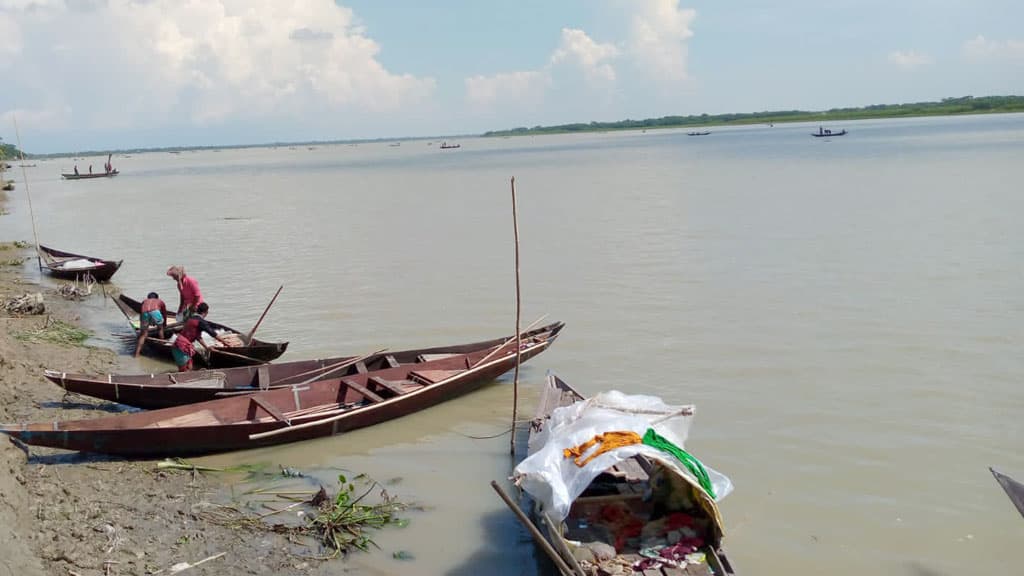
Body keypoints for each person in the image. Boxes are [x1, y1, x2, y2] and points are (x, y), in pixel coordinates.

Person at [172, 302, 230, 371]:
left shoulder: (191, 318)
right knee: (184, 371)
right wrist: (226, 343)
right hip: (182, 347)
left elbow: (198, 337)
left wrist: (206, 347)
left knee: (189, 367)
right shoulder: (201, 322)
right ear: (206, 312)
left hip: (179, 345)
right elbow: (212, 333)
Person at [134, 292, 167, 358]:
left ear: (148, 298)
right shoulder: (160, 301)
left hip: (145, 313)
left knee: (143, 335)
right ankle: (162, 345)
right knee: (160, 329)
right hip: (155, 312)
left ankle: (136, 354)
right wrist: (164, 324)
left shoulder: (144, 301)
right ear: (157, 297)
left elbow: (141, 313)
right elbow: (164, 314)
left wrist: (141, 326)